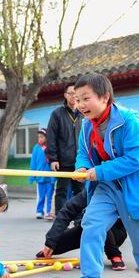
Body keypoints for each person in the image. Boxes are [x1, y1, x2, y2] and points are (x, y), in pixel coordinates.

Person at [61, 73, 139, 278]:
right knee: (91, 224)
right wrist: (82, 167)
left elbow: (135, 159)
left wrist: (98, 171)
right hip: (107, 187)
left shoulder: (131, 122)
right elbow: (83, 153)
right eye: (77, 100)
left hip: (136, 189)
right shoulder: (87, 126)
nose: (80, 105)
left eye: (86, 98)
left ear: (105, 97)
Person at [36, 190, 128, 270]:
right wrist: (51, 242)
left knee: (98, 220)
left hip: (115, 234)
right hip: (87, 230)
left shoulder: (121, 190)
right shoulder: (91, 190)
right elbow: (66, 212)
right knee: (56, 244)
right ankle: (51, 249)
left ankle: (115, 255)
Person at [47, 83, 83, 213]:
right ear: (65, 95)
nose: (74, 96)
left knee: (80, 191)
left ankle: (79, 219)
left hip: (80, 161)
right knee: (61, 191)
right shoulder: (57, 114)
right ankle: (60, 218)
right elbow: (51, 137)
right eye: (71, 93)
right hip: (63, 161)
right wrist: (53, 159)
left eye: (76, 94)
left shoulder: (83, 114)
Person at [30, 128, 56, 220]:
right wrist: (32, 176)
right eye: (39, 137)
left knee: (50, 196)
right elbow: (33, 162)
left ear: (46, 137)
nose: (40, 139)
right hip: (40, 177)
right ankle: (39, 211)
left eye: (42, 137)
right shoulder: (36, 148)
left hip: (50, 177)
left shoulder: (51, 147)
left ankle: (49, 212)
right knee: (41, 196)